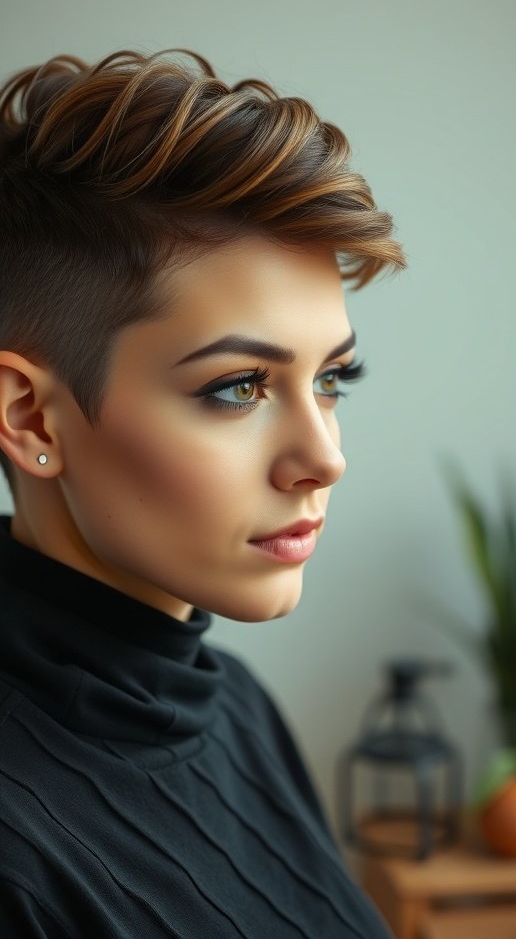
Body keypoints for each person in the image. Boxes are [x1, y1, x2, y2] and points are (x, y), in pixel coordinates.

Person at [0, 49, 404, 938]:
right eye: (239, 388)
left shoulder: (234, 703)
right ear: (30, 419)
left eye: (334, 377)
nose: (323, 457)